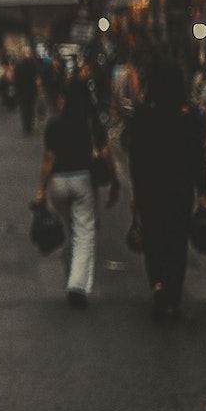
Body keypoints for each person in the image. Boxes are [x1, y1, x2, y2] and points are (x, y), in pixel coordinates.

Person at [126, 61, 206, 323]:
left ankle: (158, 285)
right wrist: (203, 191)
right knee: (176, 242)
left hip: (150, 189)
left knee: (154, 240)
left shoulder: (142, 119)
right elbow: (198, 157)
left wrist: (136, 194)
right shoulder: (190, 120)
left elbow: (135, 160)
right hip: (180, 189)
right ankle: (172, 296)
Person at [35, 78, 120, 308]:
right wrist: (114, 181)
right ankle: (77, 285)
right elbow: (105, 153)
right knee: (84, 233)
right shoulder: (91, 124)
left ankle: (72, 271)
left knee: (70, 230)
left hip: (58, 185)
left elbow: (48, 159)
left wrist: (41, 190)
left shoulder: (54, 125)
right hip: (83, 181)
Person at [13, 47, 41, 135]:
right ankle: (29, 125)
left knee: (25, 108)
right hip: (31, 89)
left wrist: (17, 90)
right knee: (30, 108)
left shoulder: (18, 64)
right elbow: (36, 77)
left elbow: (16, 79)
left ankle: (26, 126)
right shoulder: (33, 64)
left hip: (23, 90)